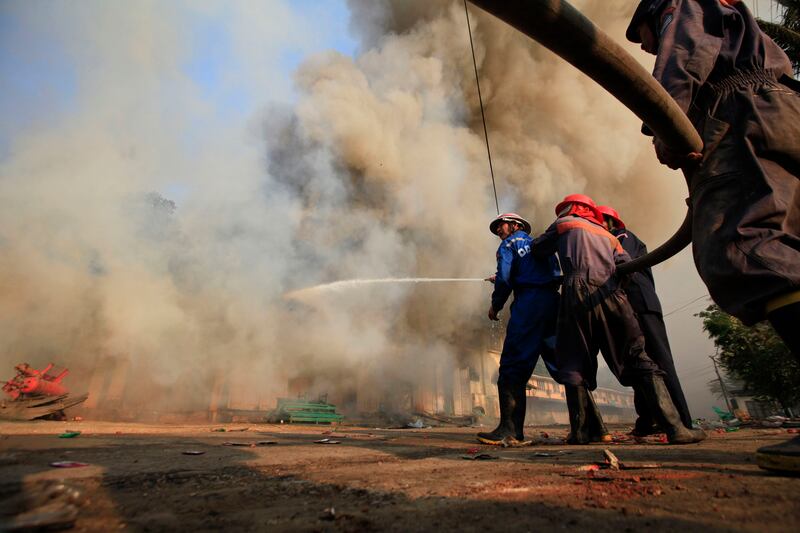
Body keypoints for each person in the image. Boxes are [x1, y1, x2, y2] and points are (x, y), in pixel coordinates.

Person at [627, 0, 800, 471]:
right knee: (788, 246)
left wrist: (668, 129)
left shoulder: (681, 4)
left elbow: (682, 54)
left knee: (745, 246)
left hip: (743, 115)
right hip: (779, 114)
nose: (648, 49)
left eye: (646, 38)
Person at [532, 194, 706, 444]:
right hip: (614, 294)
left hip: (576, 291)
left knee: (574, 359)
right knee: (637, 356)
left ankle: (581, 432)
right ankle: (676, 428)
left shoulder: (565, 224)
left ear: (572, 208)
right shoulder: (610, 236)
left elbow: (538, 249)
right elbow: (626, 265)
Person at [597, 205, 693, 435]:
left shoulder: (622, 236)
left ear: (611, 221)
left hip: (642, 304)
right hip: (629, 307)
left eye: (598, 221)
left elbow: (621, 264)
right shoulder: (610, 239)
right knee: (639, 362)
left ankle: (683, 420)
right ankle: (649, 420)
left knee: (660, 360)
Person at [477, 213, 561, 445]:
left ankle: (510, 430)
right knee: (564, 363)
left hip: (529, 305)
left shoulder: (509, 244)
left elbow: (505, 278)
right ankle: (590, 427)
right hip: (553, 303)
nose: (498, 232)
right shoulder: (540, 245)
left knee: (512, 366)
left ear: (515, 225)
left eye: (500, 227)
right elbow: (544, 272)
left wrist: (496, 305)